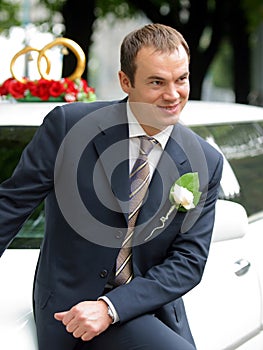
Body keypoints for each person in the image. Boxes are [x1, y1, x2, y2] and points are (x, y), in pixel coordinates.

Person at [0, 23, 223, 350]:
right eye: (156, 82)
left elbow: (189, 261)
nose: (173, 94)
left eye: (181, 79)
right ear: (125, 81)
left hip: (150, 309)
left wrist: (111, 308)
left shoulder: (206, 160)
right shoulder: (68, 127)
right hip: (70, 309)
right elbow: (11, 205)